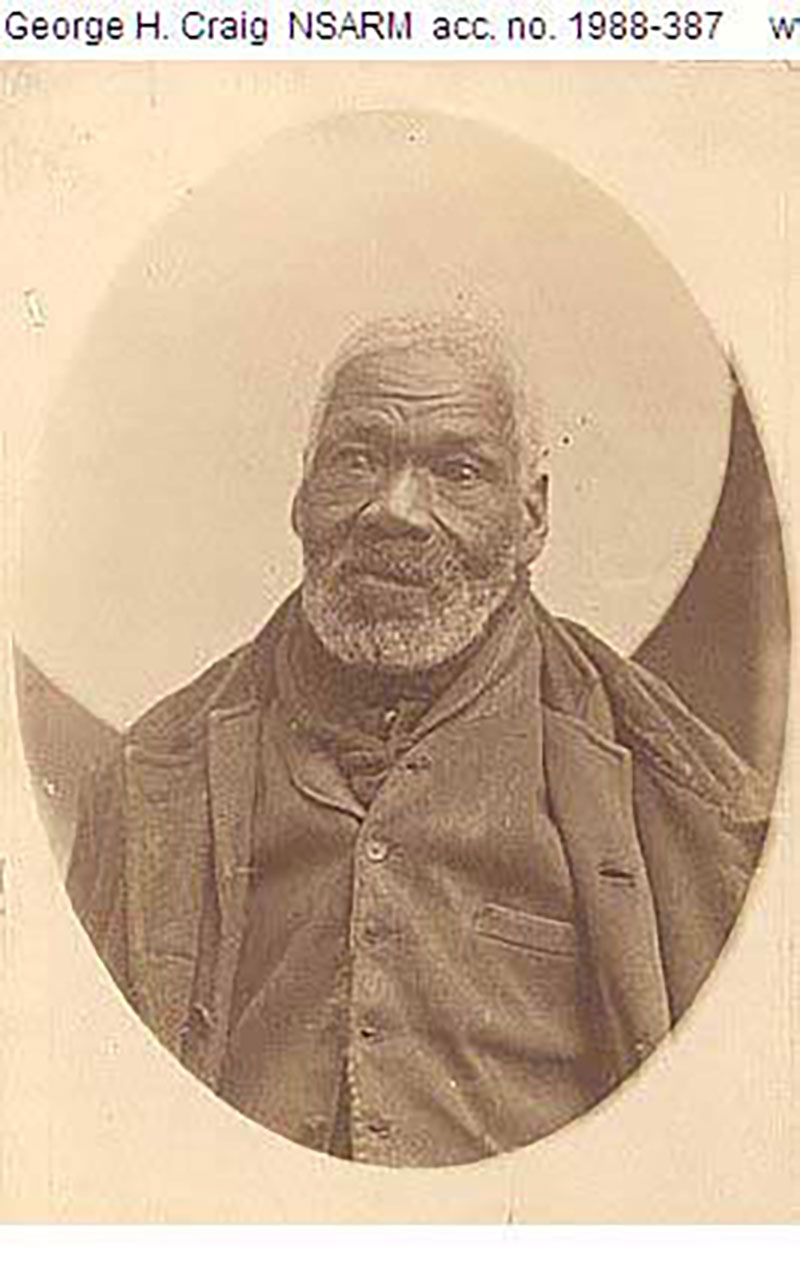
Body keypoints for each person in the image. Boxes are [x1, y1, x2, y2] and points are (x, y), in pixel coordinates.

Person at [67, 315, 769, 1167]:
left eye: (458, 470)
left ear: (533, 513)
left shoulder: (686, 800)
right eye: (358, 459)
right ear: (301, 494)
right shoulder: (155, 781)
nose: (395, 510)